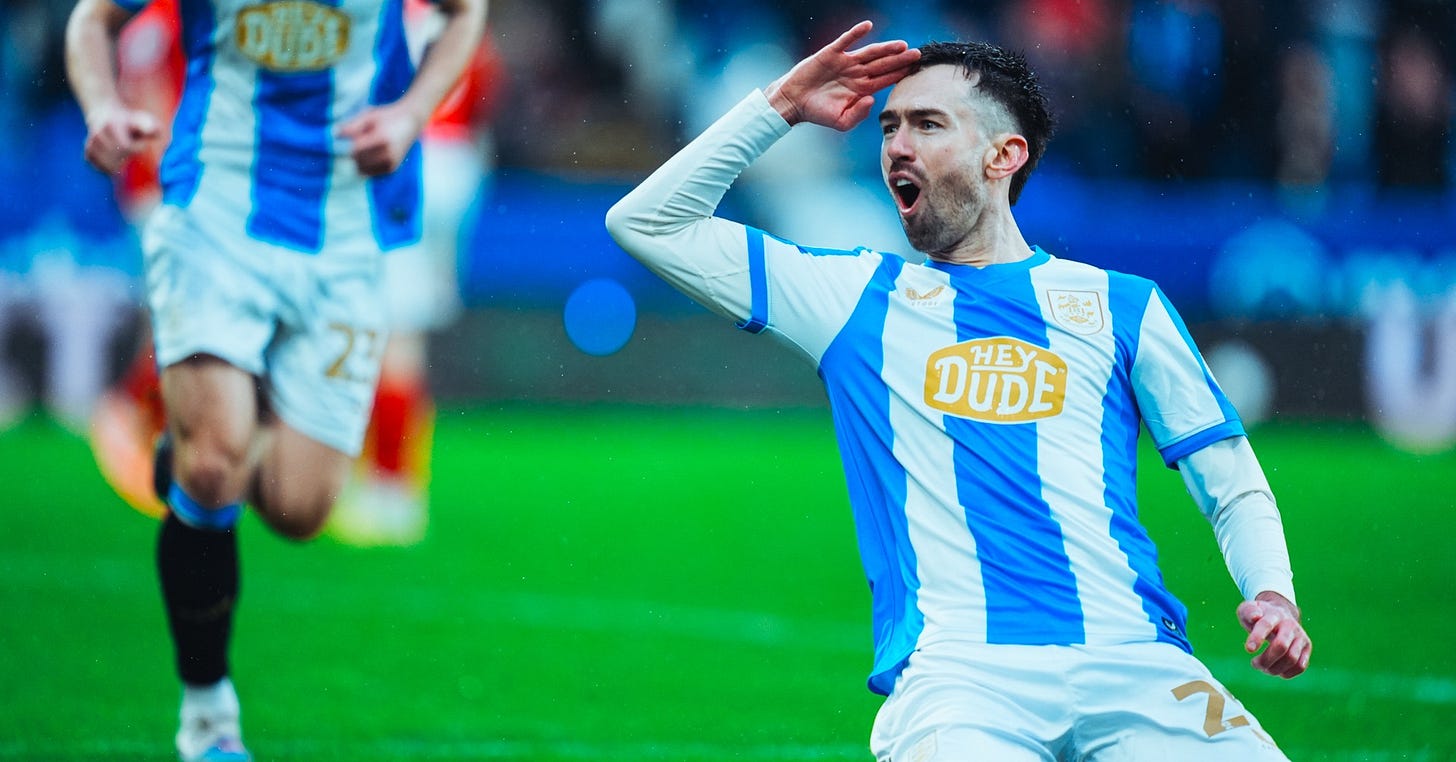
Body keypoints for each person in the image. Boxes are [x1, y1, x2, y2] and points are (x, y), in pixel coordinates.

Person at [606, 21, 1311, 761]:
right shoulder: (853, 296)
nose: (896, 147)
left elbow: (1227, 475)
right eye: (889, 128)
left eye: (927, 125)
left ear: (1004, 156)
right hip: (961, 677)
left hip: (1134, 660)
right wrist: (780, 105)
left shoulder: (1120, 304)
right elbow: (646, 223)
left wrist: (1272, 592)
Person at [65, 0, 486, 759]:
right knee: (218, 458)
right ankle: (207, 715)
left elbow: (465, 12)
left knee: (299, 510)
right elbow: (92, 17)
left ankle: (190, 460)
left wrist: (410, 114)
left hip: (345, 232)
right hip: (211, 211)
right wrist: (101, 106)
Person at [329, 2, 503, 546]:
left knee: (388, 335)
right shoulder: (457, 17)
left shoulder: (385, 14)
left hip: (406, 165)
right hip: (456, 166)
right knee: (402, 333)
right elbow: (485, 88)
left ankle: (392, 491)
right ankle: (387, 482)